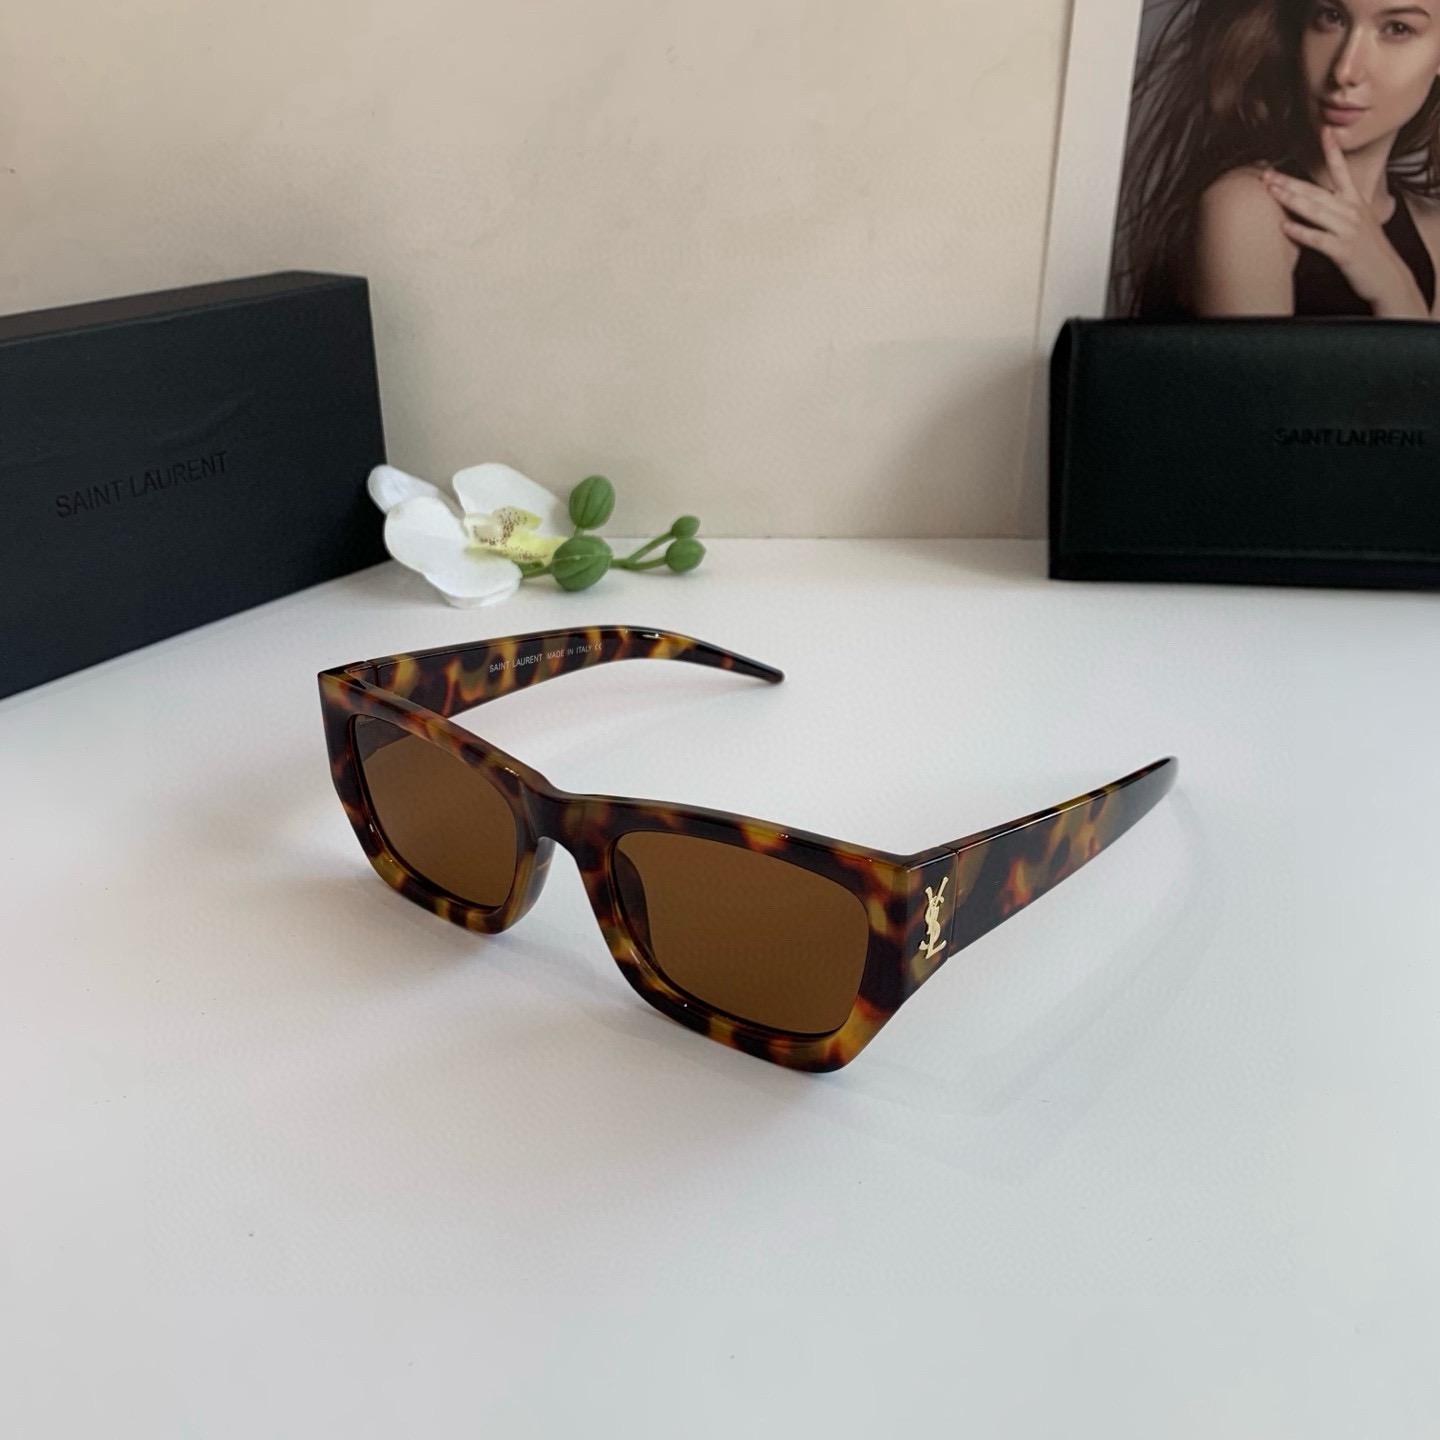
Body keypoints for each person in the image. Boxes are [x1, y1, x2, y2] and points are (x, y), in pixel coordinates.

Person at [1115, 0, 1440, 317]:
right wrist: (1398, 296)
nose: (1345, 71)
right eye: (1331, 17)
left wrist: (1395, 286)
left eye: (1398, 29)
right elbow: (1257, 361)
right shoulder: (1245, 208)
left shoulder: (1432, 231)